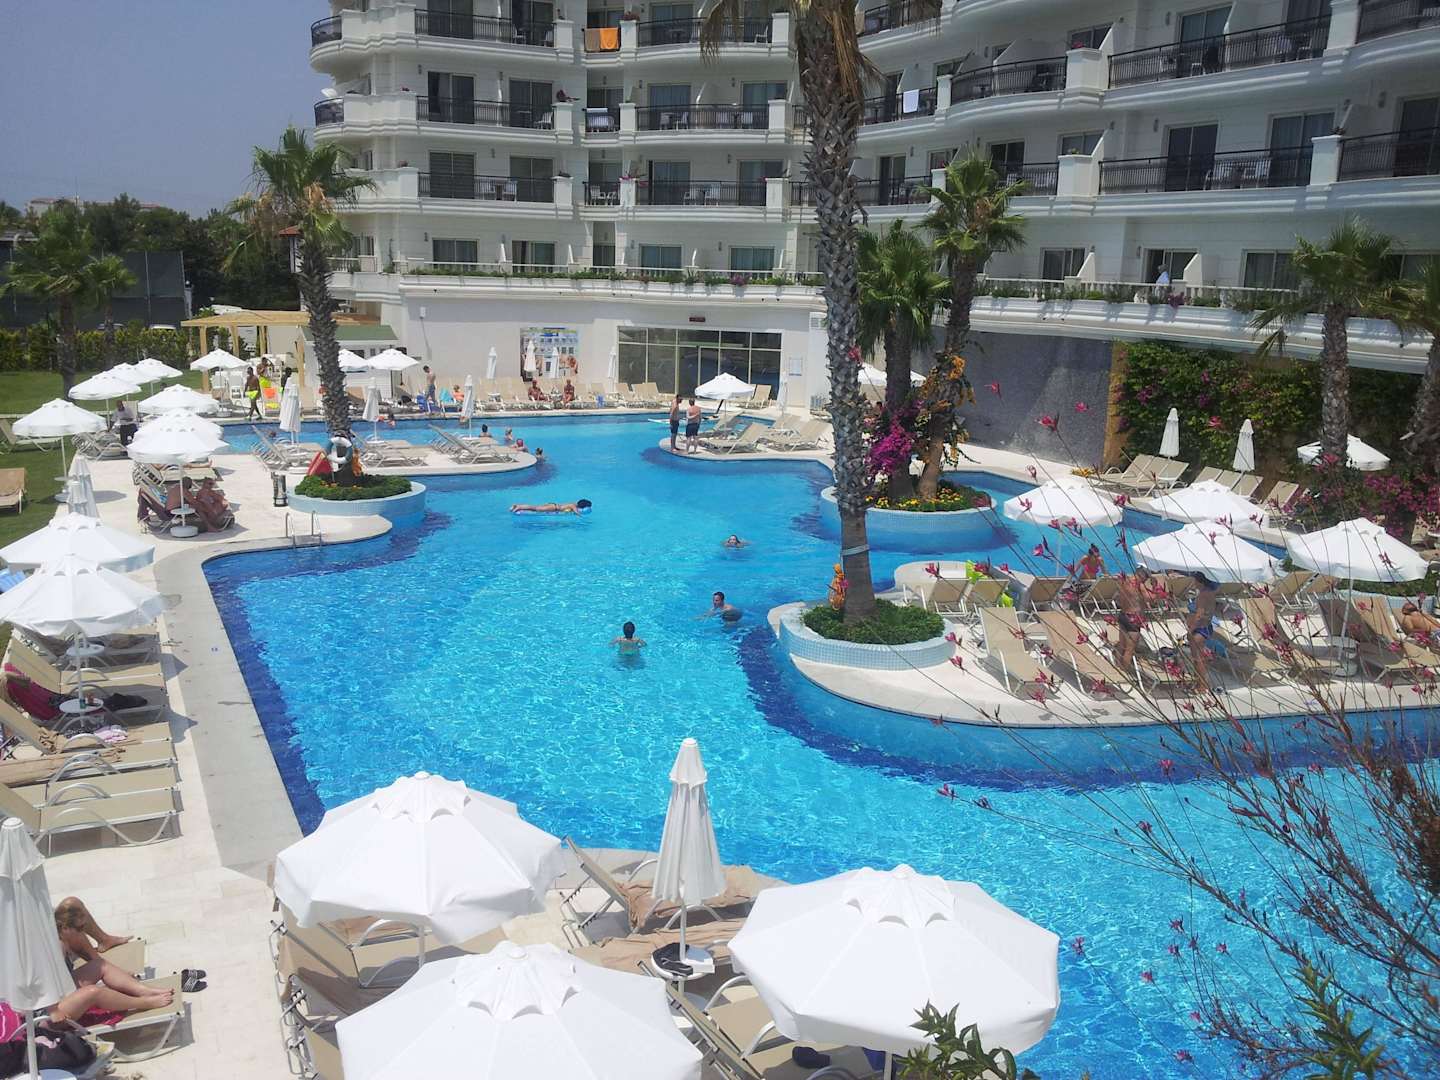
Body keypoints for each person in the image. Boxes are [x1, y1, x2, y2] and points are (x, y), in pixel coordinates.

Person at [1113, 567, 1153, 672]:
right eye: (1146, 578)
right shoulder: (1140, 585)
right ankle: (1124, 670)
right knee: (1129, 649)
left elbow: (1119, 597)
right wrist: (1157, 593)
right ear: (1142, 576)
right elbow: (1149, 598)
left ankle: (1117, 666)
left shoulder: (1124, 580)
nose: (1146, 580)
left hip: (1123, 615)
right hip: (1133, 619)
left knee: (1122, 644)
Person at [1187, 572, 1220, 686]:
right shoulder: (1210, 592)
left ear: (1199, 581)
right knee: (1199, 657)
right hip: (1206, 627)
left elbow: (1199, 615)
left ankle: (1202, 685)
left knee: (1198, 658)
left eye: (1194, 580)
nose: (1193, 582)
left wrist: (1190, 630)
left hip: (1200, 629)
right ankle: (1200, 682)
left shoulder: (1202, 595)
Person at [509, 498, 591, 515]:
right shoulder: (573, 505)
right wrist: (582, 516)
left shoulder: (572, 503)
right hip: (553, 508)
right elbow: (576, 513)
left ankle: (515, 506)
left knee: (535, 509)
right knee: (535, 508)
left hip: (553, 506)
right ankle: (518, 507)